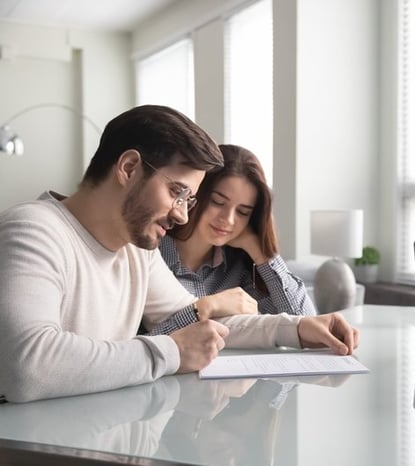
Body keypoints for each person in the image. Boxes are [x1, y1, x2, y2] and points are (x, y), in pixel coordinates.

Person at [0, 104, 358, 404]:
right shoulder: (34, 229)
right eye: (176, 192)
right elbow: (28, 367)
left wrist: (296, 329)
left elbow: (198, 326)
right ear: (128, 168)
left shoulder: (135, 249)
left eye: (188, 200)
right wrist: (171, 352)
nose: (182, 215)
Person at [146, 145, 315, 336]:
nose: (228, 219)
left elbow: (305, 322)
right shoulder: (149, 252)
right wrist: (208, 307)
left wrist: (261, 252)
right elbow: (142, 345)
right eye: (218, 202)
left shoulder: (240, 268)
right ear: (195, 195)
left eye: (243, 212)